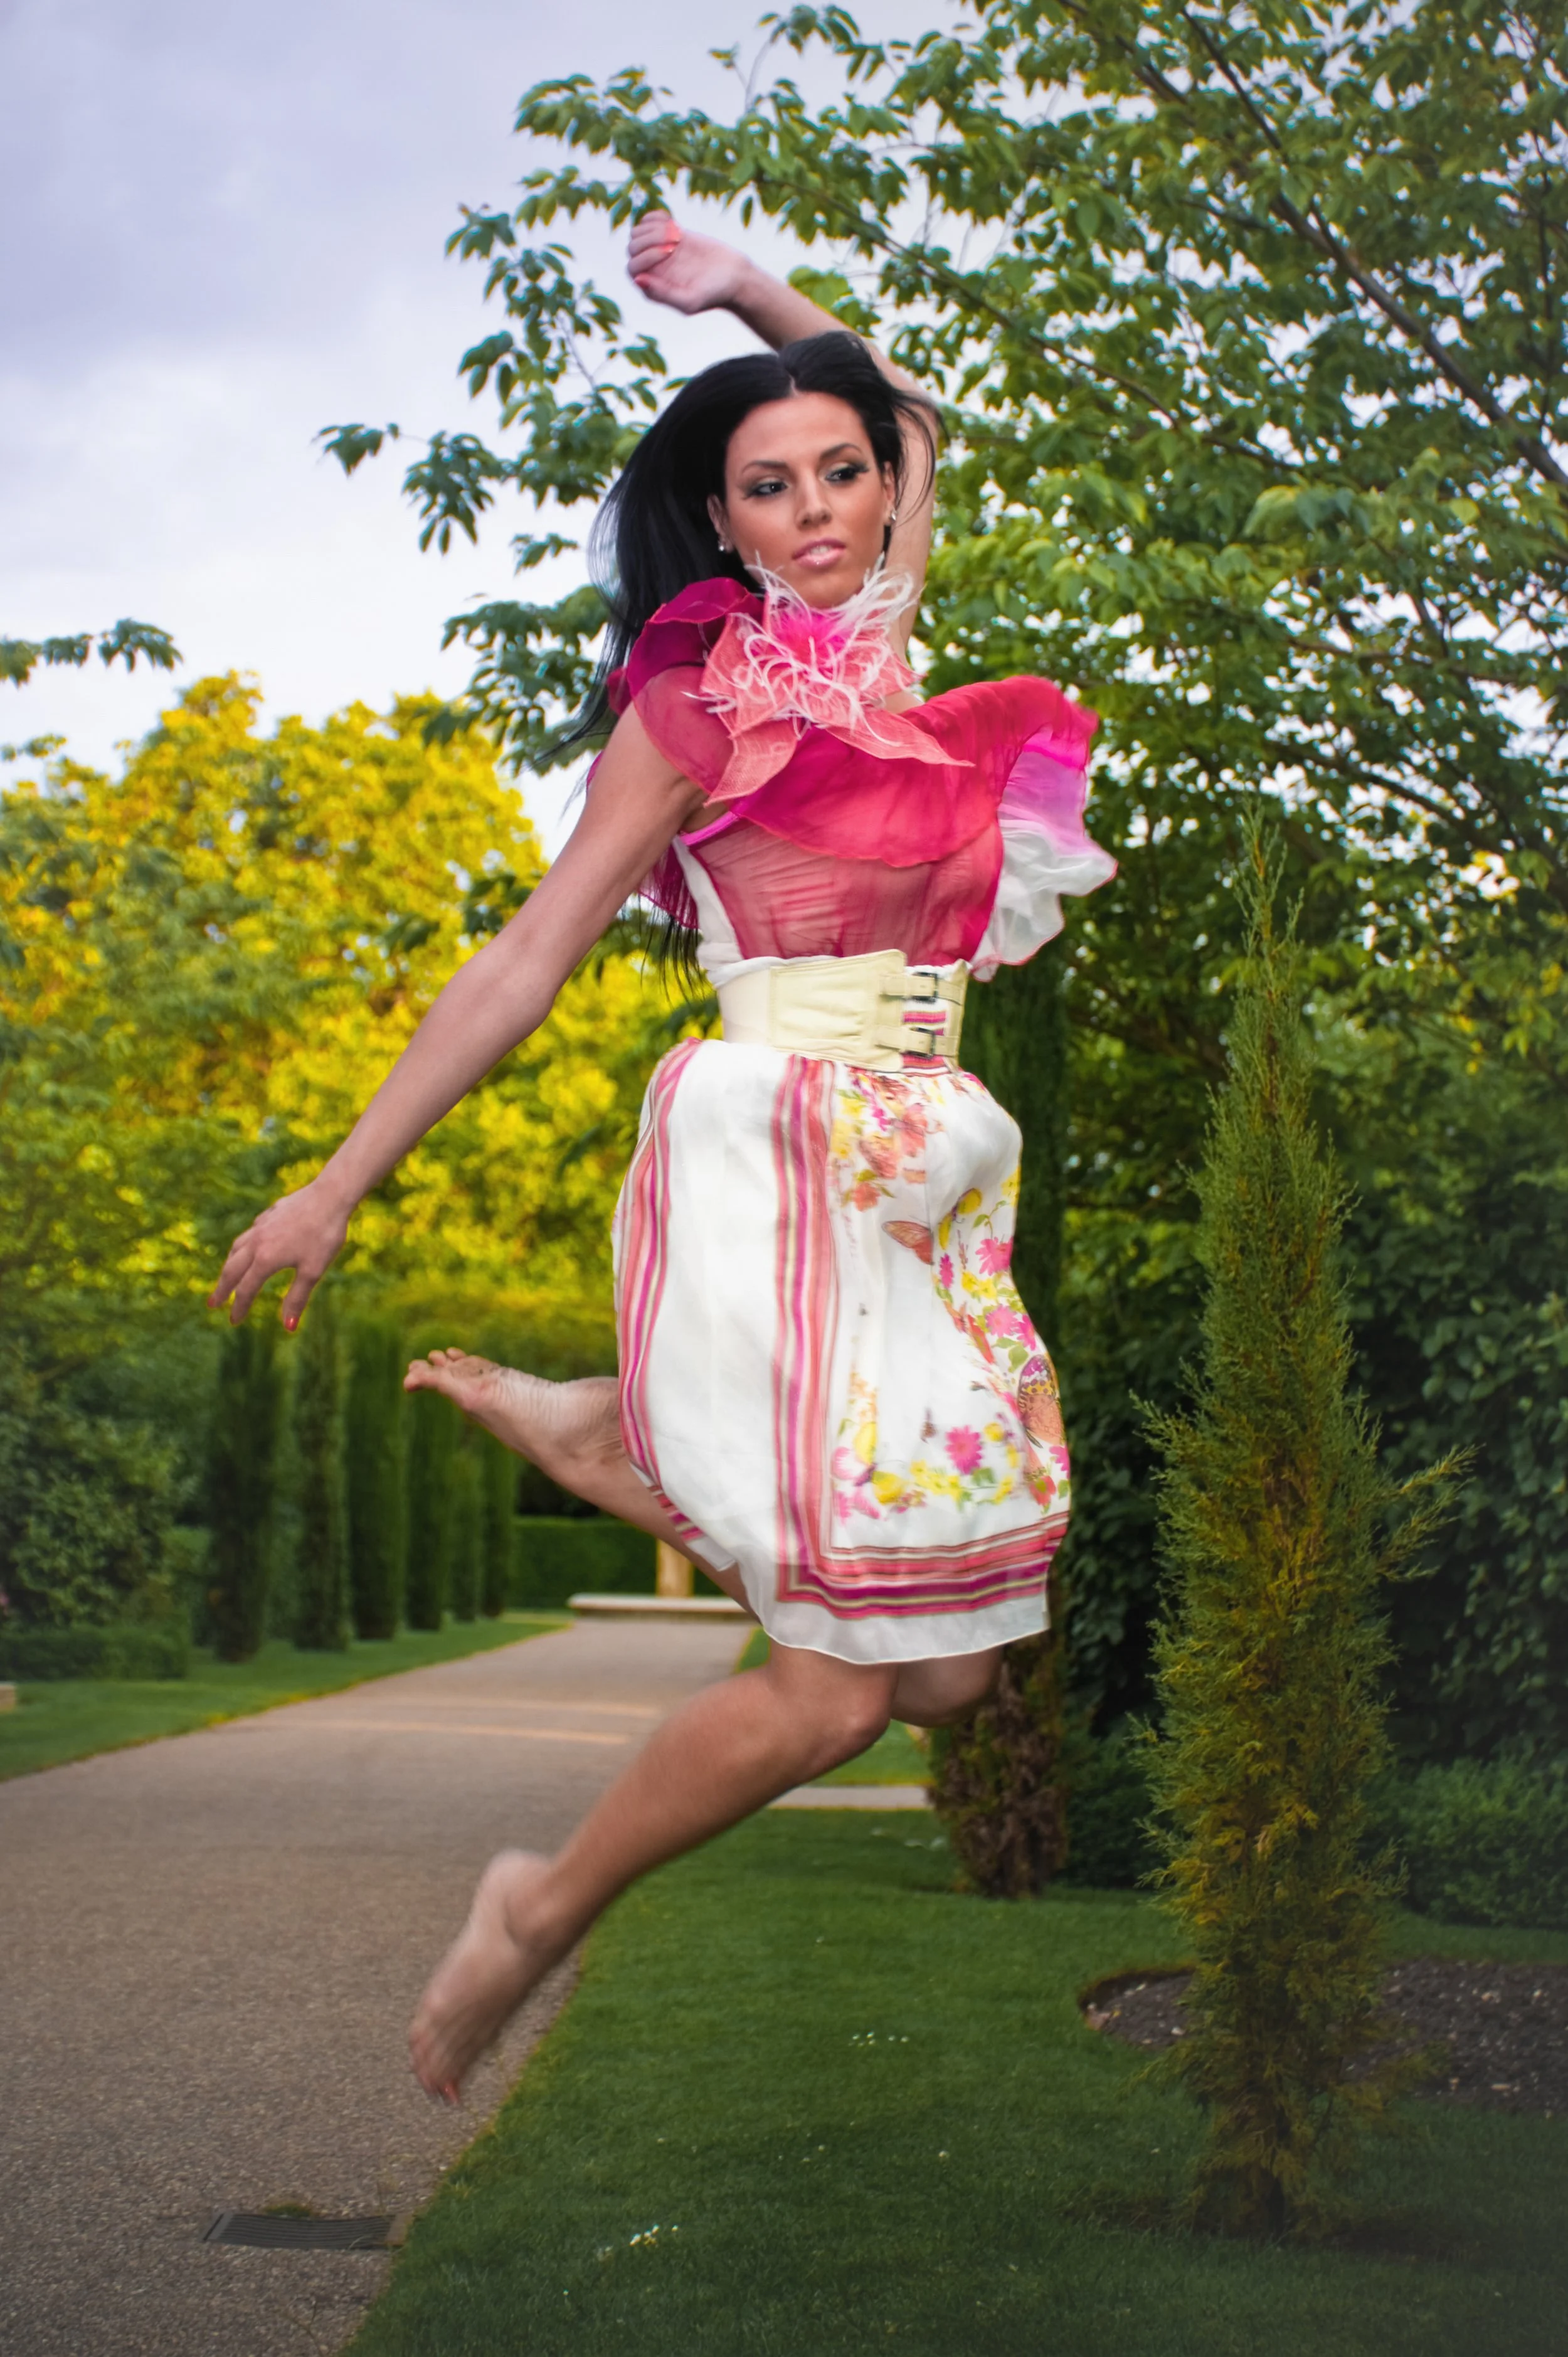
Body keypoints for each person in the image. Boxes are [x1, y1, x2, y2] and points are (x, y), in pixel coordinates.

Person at [208, 211, 1116, 2103]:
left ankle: (611, 1438)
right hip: (787, 1152)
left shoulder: (882, 653)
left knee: (954, 1671)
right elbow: (527, 954)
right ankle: (534, 1907)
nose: (820, 509)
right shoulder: (705, 700)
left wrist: (752, 295)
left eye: (841, 473)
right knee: (834, 1696)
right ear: (722, 519)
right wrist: (338, 1178)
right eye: (770, 486)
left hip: (928, 1168)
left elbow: (907, 404)